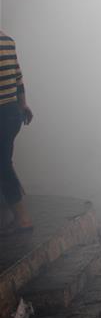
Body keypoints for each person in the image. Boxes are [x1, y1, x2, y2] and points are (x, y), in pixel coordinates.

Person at [0, 30, 33, 231]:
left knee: (3, 166)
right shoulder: (7, 40)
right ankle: (10, 213)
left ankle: (22, 218)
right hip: (12, 113)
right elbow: (18, 78)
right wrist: (23, 105)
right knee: (4, 162)